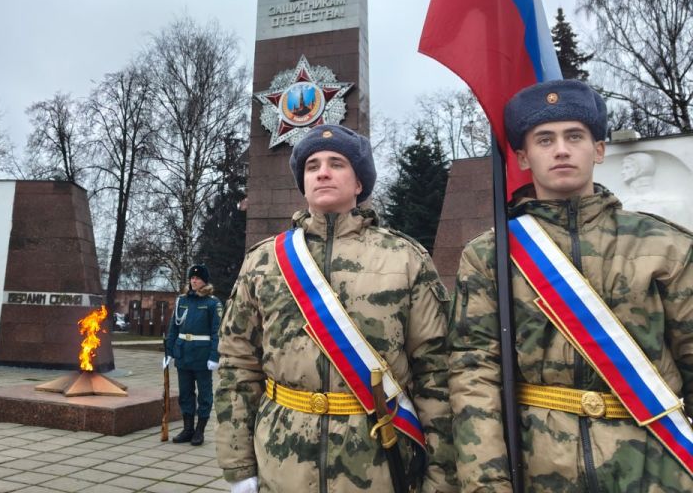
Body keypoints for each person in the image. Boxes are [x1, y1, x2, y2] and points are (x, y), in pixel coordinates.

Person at [449, 79, 693, 492]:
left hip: (658, 466)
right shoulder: (490, 254)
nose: (561, 149)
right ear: (523, 157)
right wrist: (486, 483)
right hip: (540, 469)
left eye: (574, 136)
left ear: (598, 150)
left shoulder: (664, 244)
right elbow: (475, 377)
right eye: (544, 140)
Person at [215, 124, 457, 493]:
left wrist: (441, 475)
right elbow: (237, 367)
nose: (323, 172)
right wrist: (238, 466)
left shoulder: (406, 258)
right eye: (312, 166)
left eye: (337, 163)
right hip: (282, 463)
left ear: (359, 183)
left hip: (379, 462)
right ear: (303, 182)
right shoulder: (265, 260)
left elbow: (434, 372)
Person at [164, 263, 222, 446]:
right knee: (185, 394)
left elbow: (217, 332)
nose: (193, 280)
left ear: (204, 281)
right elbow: (173, 327)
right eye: (192, 278)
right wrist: (169, 352)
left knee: (205, 394)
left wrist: (215, 357)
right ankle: (187, 428)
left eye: (197, 278)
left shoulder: (213, 303)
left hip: (202, 355)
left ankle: (200, 430)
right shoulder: (182, 301)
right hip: (183, 353)